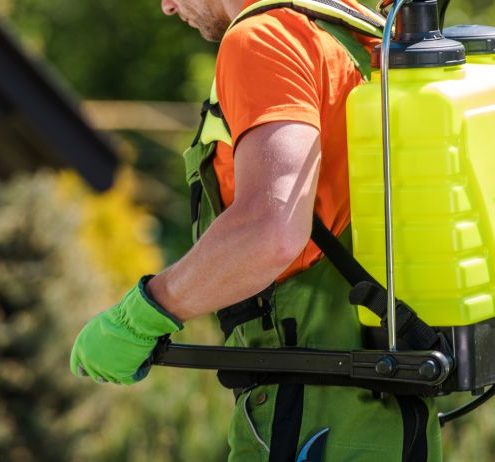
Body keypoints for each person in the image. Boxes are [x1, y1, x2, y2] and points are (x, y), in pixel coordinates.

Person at [71, 0, 443, 460]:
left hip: (311, 414)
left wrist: (141, 315)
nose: (167, 6)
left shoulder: (263, 38)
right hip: (391, 411)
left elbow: (270, 230)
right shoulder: (354, 29)